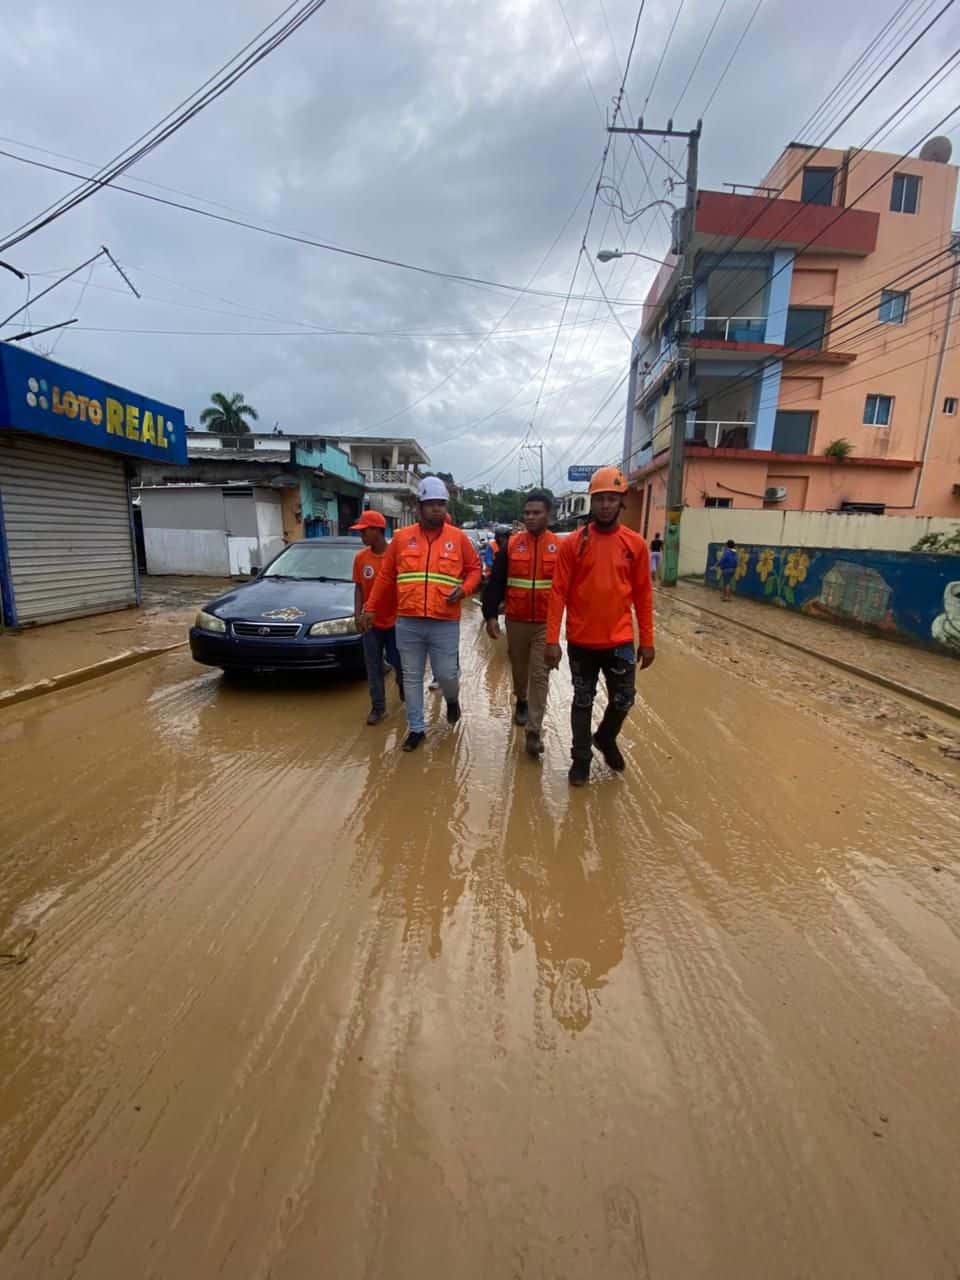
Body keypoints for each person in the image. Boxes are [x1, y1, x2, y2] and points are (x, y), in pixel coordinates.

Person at [545, 467, 655, 788]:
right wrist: (552, 640)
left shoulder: (634, 544)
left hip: (619, 640)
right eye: (600, 499)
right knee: (582, 700)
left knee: (625, 698)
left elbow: (643, 595)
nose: (606, 505)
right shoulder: (573, 545)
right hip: (581, 641)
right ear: (591, 502)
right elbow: (558, 594)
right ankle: (581, 758)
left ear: (621, 502)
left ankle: (605, 738)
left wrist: (647, 640)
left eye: (612, 499)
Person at [363, 476, 481, 751]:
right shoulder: (402, 539)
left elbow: (475, 569)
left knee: (447, 674)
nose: (436, 509)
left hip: (445, 621)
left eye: (441, 504)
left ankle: (452, 700)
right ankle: (417, 728)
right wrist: (369, 608)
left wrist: (464, 590)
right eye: (431, 504)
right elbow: (385, 577)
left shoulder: (458, 538)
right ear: (419, 507)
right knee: (412, 676)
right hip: (408, 621)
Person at [482, 490, 558, 758]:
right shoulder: (512, 546)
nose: (531, 517)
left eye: (536, 512)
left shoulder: (559, 547)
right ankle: (521, 700)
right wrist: (490, 615)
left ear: (549, 514)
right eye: (527, 513)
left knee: (540, 673)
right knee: (520, 669)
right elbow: (495, 583)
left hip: (545, 624)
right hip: (516, 620)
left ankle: (534, 731)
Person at [351, 510, 403, 725]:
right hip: (371, 623)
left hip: (396, 622)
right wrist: (357, 614)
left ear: (377, 531)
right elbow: (359, 589)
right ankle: (378, 708)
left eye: (364, 531)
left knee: (399, 662)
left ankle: (404, 686)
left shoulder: (397, 557)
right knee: (373, 666)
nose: (361, 535)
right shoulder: (361, 558)